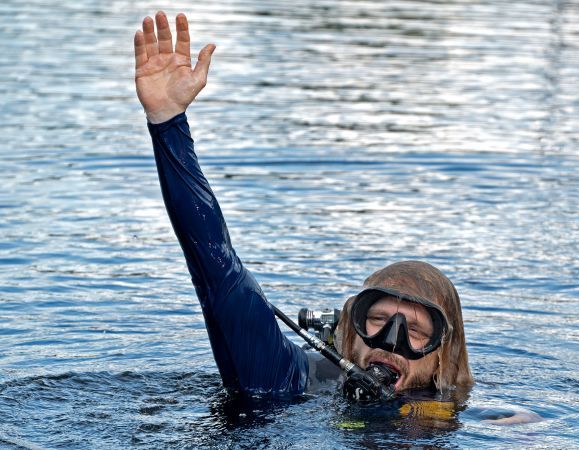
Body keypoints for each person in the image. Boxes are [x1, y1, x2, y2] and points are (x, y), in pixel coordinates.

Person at [134, 11, 474, 398]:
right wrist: (168, 122)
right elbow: (218, 268)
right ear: (349, 330)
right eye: (376, 320)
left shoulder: (477, 417)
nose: (390, 342)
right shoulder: (291, 380)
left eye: (415, 332)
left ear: (443, 357)